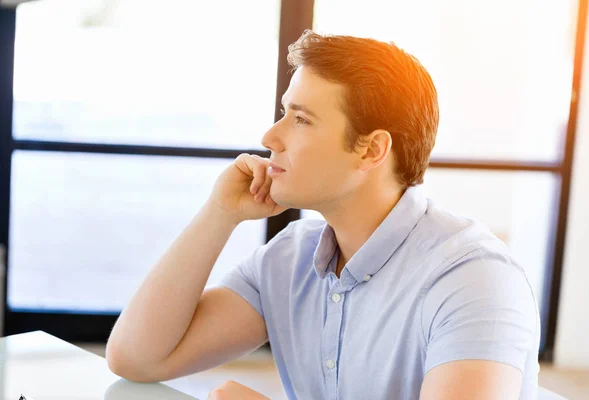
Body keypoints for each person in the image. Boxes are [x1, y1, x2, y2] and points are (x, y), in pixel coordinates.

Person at [106, 30, 540, 399]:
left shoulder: (473, 279)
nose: (270, 136)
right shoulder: (291, 259)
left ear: (371, 150)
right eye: (284, 112)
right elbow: (137, 357)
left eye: (301, 119)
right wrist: (219, 213)